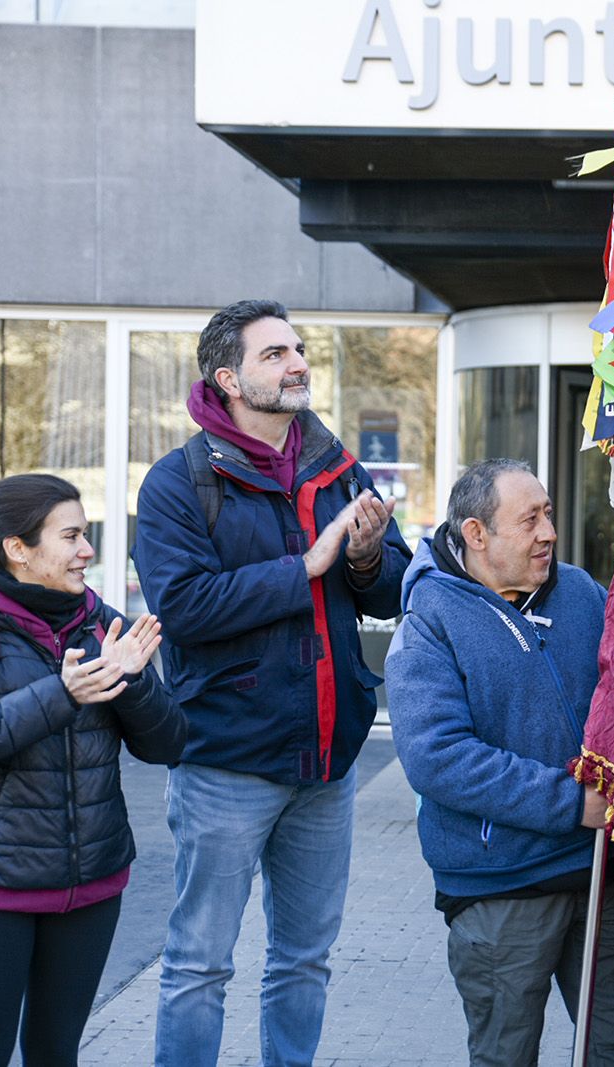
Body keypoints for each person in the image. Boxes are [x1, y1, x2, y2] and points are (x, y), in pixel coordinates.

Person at [133, 299, 411, 1067]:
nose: (297, 364)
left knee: (304, 959)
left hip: (327, 765)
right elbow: (183, 607)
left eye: (298, 349)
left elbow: (393, 587)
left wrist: (363, 559)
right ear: (227, 378)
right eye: (275, 354)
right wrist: (307, 568)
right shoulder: (177, 483)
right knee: (199, 965)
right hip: (225, 763)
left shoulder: (336, 463)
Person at [0, 473, 186, 1067]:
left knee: (56, 1054)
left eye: (87, 534)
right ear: (18, 548)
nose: (88, 550)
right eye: (72, 535)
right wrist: (65, 694)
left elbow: (167, 745)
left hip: (88, 886)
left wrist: (126, 679)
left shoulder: (96, 619)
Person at [384, 458, 614, 1067]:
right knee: (506, 1056)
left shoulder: (584, 593)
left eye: (549, 514)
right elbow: (438, 758)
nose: (549, 533)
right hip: (501, 888)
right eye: (530, 519)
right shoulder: (430, 619)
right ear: (477, 534)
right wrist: (570, 803)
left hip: (604, 876)